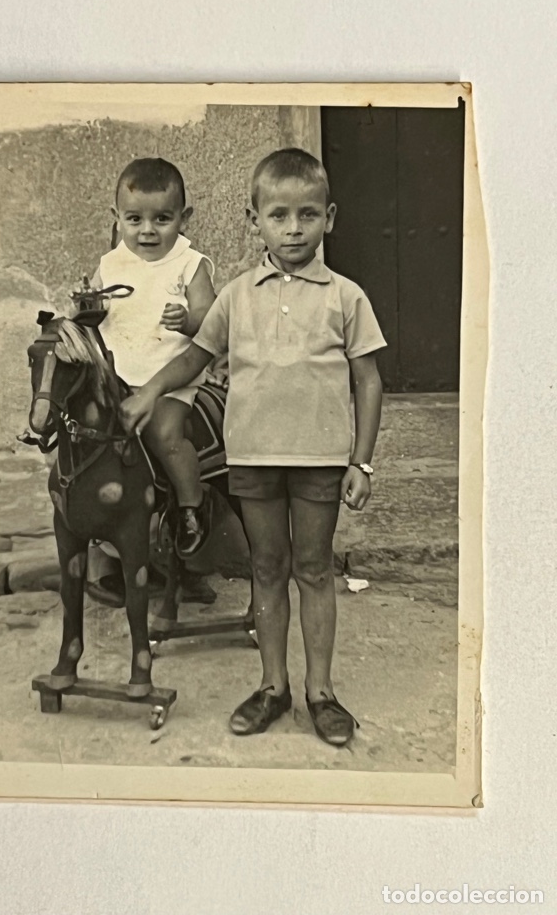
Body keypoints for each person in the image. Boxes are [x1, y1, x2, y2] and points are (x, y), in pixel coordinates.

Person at [120, 148, 386, 747]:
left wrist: (361, 461)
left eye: (308, 215)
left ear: (330, 217)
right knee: (267, 568)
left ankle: (321, 692)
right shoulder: (236, 296)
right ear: (254, 219)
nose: (293, 229)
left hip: (318, 459)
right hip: (253, 456)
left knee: (313, 570)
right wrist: (150, 393)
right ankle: (274, 686)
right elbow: (195, 355)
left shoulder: (346, 296)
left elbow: (368, 379)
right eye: (279, 216)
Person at [78, 157, 217, 557]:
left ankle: (192, 504)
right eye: (134, 219)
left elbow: (211, 324)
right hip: (116, 378)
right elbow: (97, 310)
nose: (148, 231)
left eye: (162, 219)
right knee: (87, 435)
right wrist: (87, 306)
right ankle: (102, 535)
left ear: (184, 217)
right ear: (116, 217)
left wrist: (189, 319)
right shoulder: (110, 263)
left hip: (170, 379)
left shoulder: (190, 265)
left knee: (164, 434)